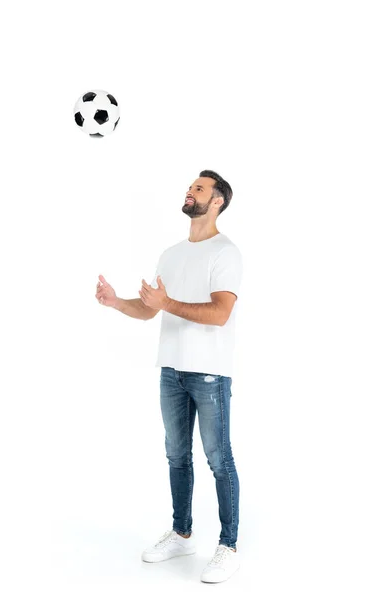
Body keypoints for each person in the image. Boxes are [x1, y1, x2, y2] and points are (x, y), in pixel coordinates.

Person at [95, 169, 243, 584]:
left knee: (219, 460)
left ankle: (228, 546)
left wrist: (167, 301)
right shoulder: (172, 253)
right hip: (171, 371)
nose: (190, 191)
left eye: (199, 188)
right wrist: (115, 302)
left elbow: (220, 313)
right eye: (190, 186)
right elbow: (150, 310)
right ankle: (182, 534)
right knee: (177, 456)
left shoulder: (226, 253)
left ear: (217, 201)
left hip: (210, 375)